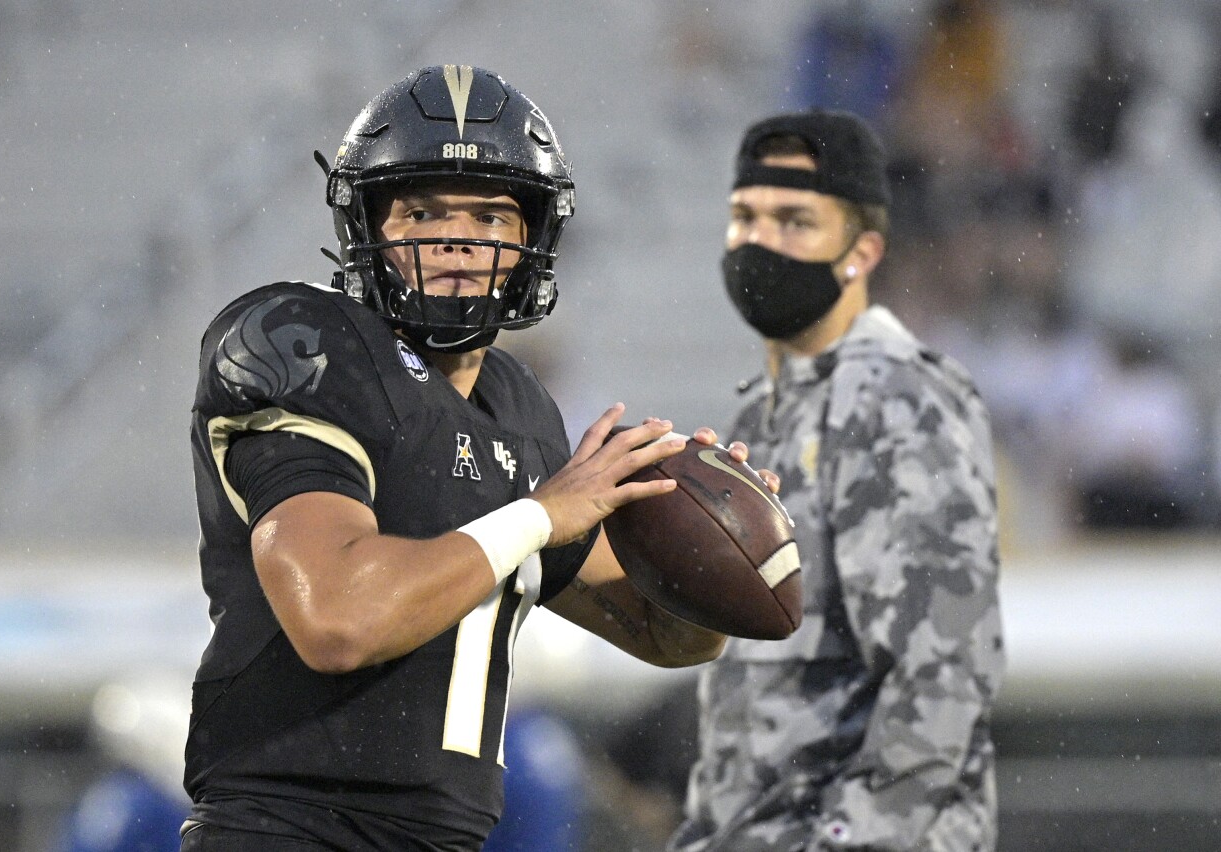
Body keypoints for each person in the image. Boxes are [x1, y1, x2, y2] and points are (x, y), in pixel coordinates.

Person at [180, 65, 782, 852]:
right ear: (367, 223)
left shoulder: (519, 409)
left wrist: (715, 541)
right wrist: (539, 514)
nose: (459, 239)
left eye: (493, 216)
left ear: (535, 238)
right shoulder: (308, 345)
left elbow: (666, 636)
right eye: (424, 211)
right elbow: (338, 619)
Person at [671, 110, 1005, 851]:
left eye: (795, 221)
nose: (760, 241)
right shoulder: (764, 413)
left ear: (863, 251)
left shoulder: (897, 401)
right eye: (744, 217)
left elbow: (941, 682)